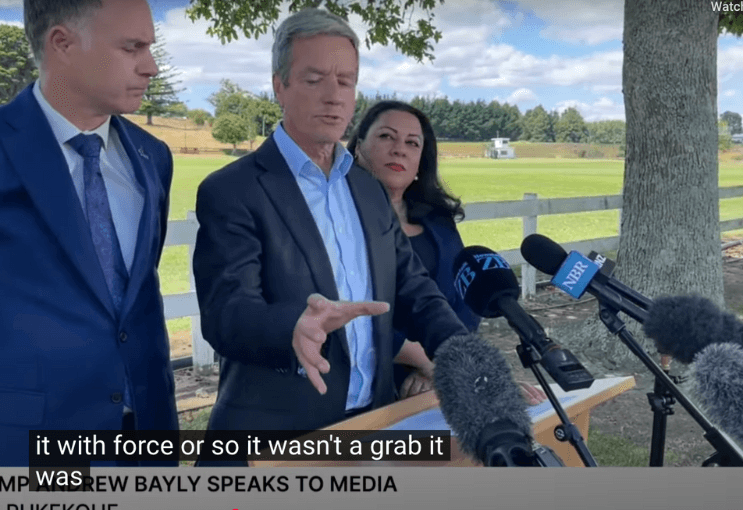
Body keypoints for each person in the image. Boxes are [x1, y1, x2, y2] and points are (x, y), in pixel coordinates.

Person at [192, 9, 530, 456]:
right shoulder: (232, 190)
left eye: (346, 81)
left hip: (374, 426)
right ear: (280, 86)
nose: (334, 97)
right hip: (272, 443)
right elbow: (226, 312)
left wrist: (472, 367)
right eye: (315, 79)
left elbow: (417, 292)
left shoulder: (367, 190)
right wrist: (289, 326)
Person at [0, 0, 177, 466]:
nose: (151, 66)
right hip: (19, 453)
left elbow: (133, 300)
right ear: (62, 43)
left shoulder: (152, 157)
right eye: (132, 48)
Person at [348, 101, 546, 405]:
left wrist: (438, 368)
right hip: (364, 383)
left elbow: (462, 303)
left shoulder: (438, 220)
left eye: (412, 143)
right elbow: (355, 312)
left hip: (435, 375)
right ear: (359, 147)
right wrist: (438, 365)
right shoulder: (339, 221)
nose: (400, 149)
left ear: (420, 162)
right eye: (387, 136)